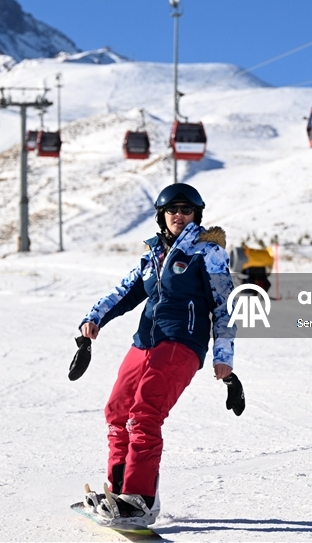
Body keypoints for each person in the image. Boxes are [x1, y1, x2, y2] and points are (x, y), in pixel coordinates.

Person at [72, 183, 243, 528]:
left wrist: (223, 358)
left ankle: (141, 499)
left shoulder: (207, 252)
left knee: (145, 414)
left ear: (197, 215)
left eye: (186, 210)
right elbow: (126, 291)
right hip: (146, 341)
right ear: (162, 216)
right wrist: (93, 319)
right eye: (172, 210)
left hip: (182, 342)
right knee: (117, 410)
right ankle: (118, 491)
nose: (179, 215)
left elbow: (226, 306)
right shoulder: (153, 255)